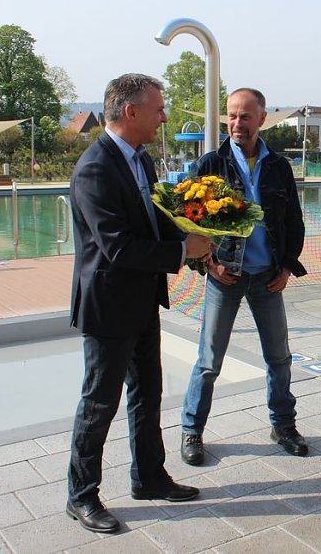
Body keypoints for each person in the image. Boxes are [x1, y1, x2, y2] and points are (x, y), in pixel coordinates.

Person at [67, 73, 211, 533]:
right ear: (131, 112)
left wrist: (199, 244)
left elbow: (155, 221)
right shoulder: (94, 169)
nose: (164, 117)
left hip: (144, 299)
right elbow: (118, 247)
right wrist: (181, 251)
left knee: (147, 397)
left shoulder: (141, 161)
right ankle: (81, 494)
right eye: (158, 109)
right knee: (99, 404)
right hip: (109, 307)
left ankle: (148, 477)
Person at [180, 88, 308, 464]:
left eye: (245, 116)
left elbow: (293, 222)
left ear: (261, 119)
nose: (237, 123)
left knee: (279, 358)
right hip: (224, 277)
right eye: (232, 116)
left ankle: (283, 425)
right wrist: (209, 264)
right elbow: (189, 224)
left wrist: (286, 266)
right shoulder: (210, 164)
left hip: (268, 276)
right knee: (208, 362)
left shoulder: (279, 167)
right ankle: (192, 431)